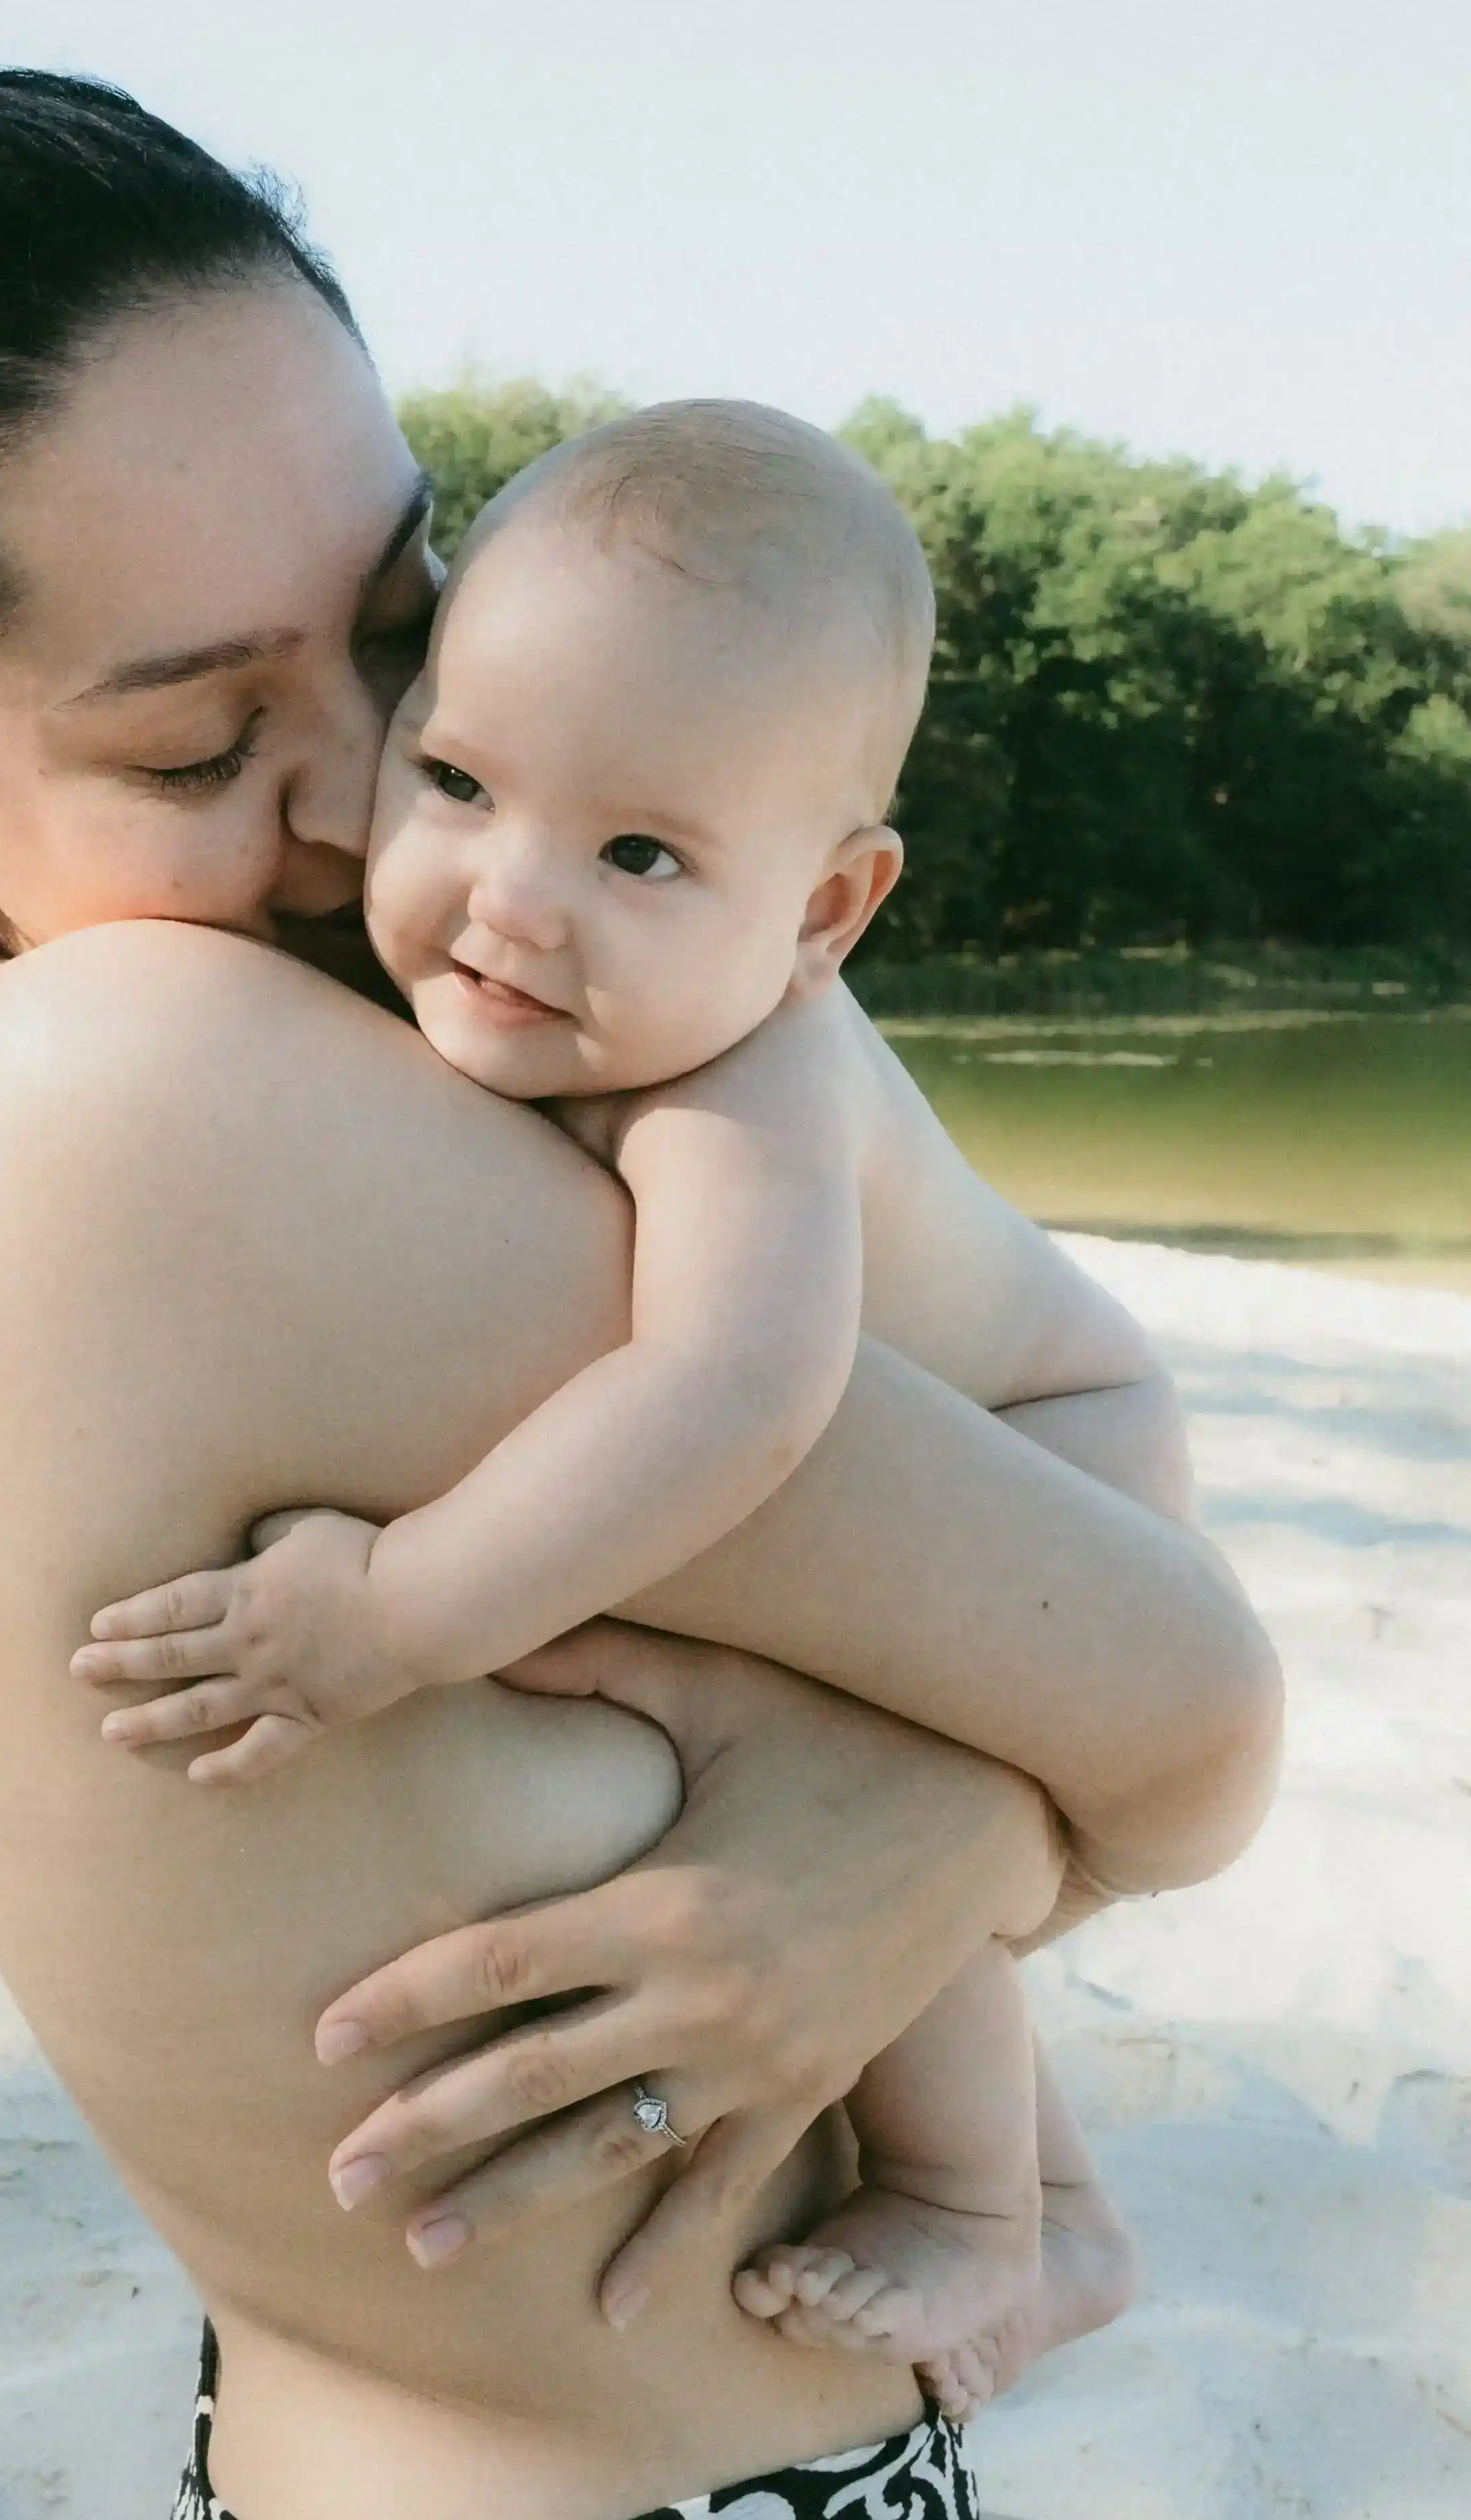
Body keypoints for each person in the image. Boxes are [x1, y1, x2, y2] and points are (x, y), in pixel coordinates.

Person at [0, 0, 1466, 2520]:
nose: (381, 813)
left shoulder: (9, 1120)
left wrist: (918, 1835)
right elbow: (1198, 1716)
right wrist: (963, 1824)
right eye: (192, 747)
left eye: (400, 632)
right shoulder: (154, 1097)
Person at [85, 399, 1184, 2400]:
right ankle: (1058, 2197)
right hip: (941, 1426)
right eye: (463, 778)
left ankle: (999, 2211)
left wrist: (398, 1610)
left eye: (641, 850)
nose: (512, 893)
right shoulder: (564, 985)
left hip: (1060, 1436)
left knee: (873, 1754)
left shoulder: (746, 1076)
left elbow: (736, 1393)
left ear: (825, 913)